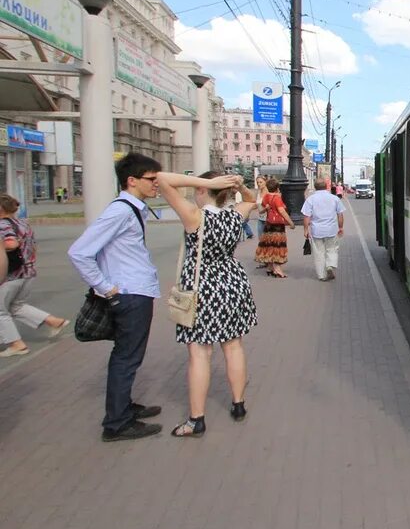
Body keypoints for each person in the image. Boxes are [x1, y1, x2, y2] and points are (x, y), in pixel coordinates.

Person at [67, 153, 164, 442]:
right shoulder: (120, 211)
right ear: (131, 180)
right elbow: (79, 252)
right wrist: (104, 286)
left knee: (128, 355)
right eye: (152, 179)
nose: (157, 184)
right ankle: (117, 423)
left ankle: (124, 407)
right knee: (126, 357)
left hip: (136, 290)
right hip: (129, 293)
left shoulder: (132, 209)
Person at [157, 171, 258, 438]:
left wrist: (206, 182)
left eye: (199, 189)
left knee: (199, 353)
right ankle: (238, 405)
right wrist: (240, 185)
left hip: (202, 289)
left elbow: (161, 179)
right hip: (234, 284)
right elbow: (252, 199)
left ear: (204, 190)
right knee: (234, 345)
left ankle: (196, 419)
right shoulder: (235, 214)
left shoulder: (194, 216)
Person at [0, 194, 70, 357]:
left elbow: (11, 243)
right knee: (16, 306)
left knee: (1, 311)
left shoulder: (2, 225)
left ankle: (16, 344)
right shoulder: (23, 224)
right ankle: (54, 321)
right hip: (28, 272)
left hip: (10, 274)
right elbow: (33, 247)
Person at [301, 177, 344, 281]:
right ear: (326, 186)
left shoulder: (310, 199)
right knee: (332, 249)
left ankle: (322, 275)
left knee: (319, 252)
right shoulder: (334, 198)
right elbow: (340, 214)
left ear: (315, 187)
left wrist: (306, 230)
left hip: (317, 231)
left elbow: (306, 216)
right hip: (332, 230)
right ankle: (330, 266)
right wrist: (341, 227)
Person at [255, 178, 294, 278]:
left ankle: (269, 268)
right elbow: (282, 211)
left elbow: (261, 210)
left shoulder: (266, 197)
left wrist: (266, 208)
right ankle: (277, 269)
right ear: (277, 188)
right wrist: (290, 223)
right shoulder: (277, 198)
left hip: (268, 224)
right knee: (278, 246)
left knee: (269, 245)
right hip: (277, 225)